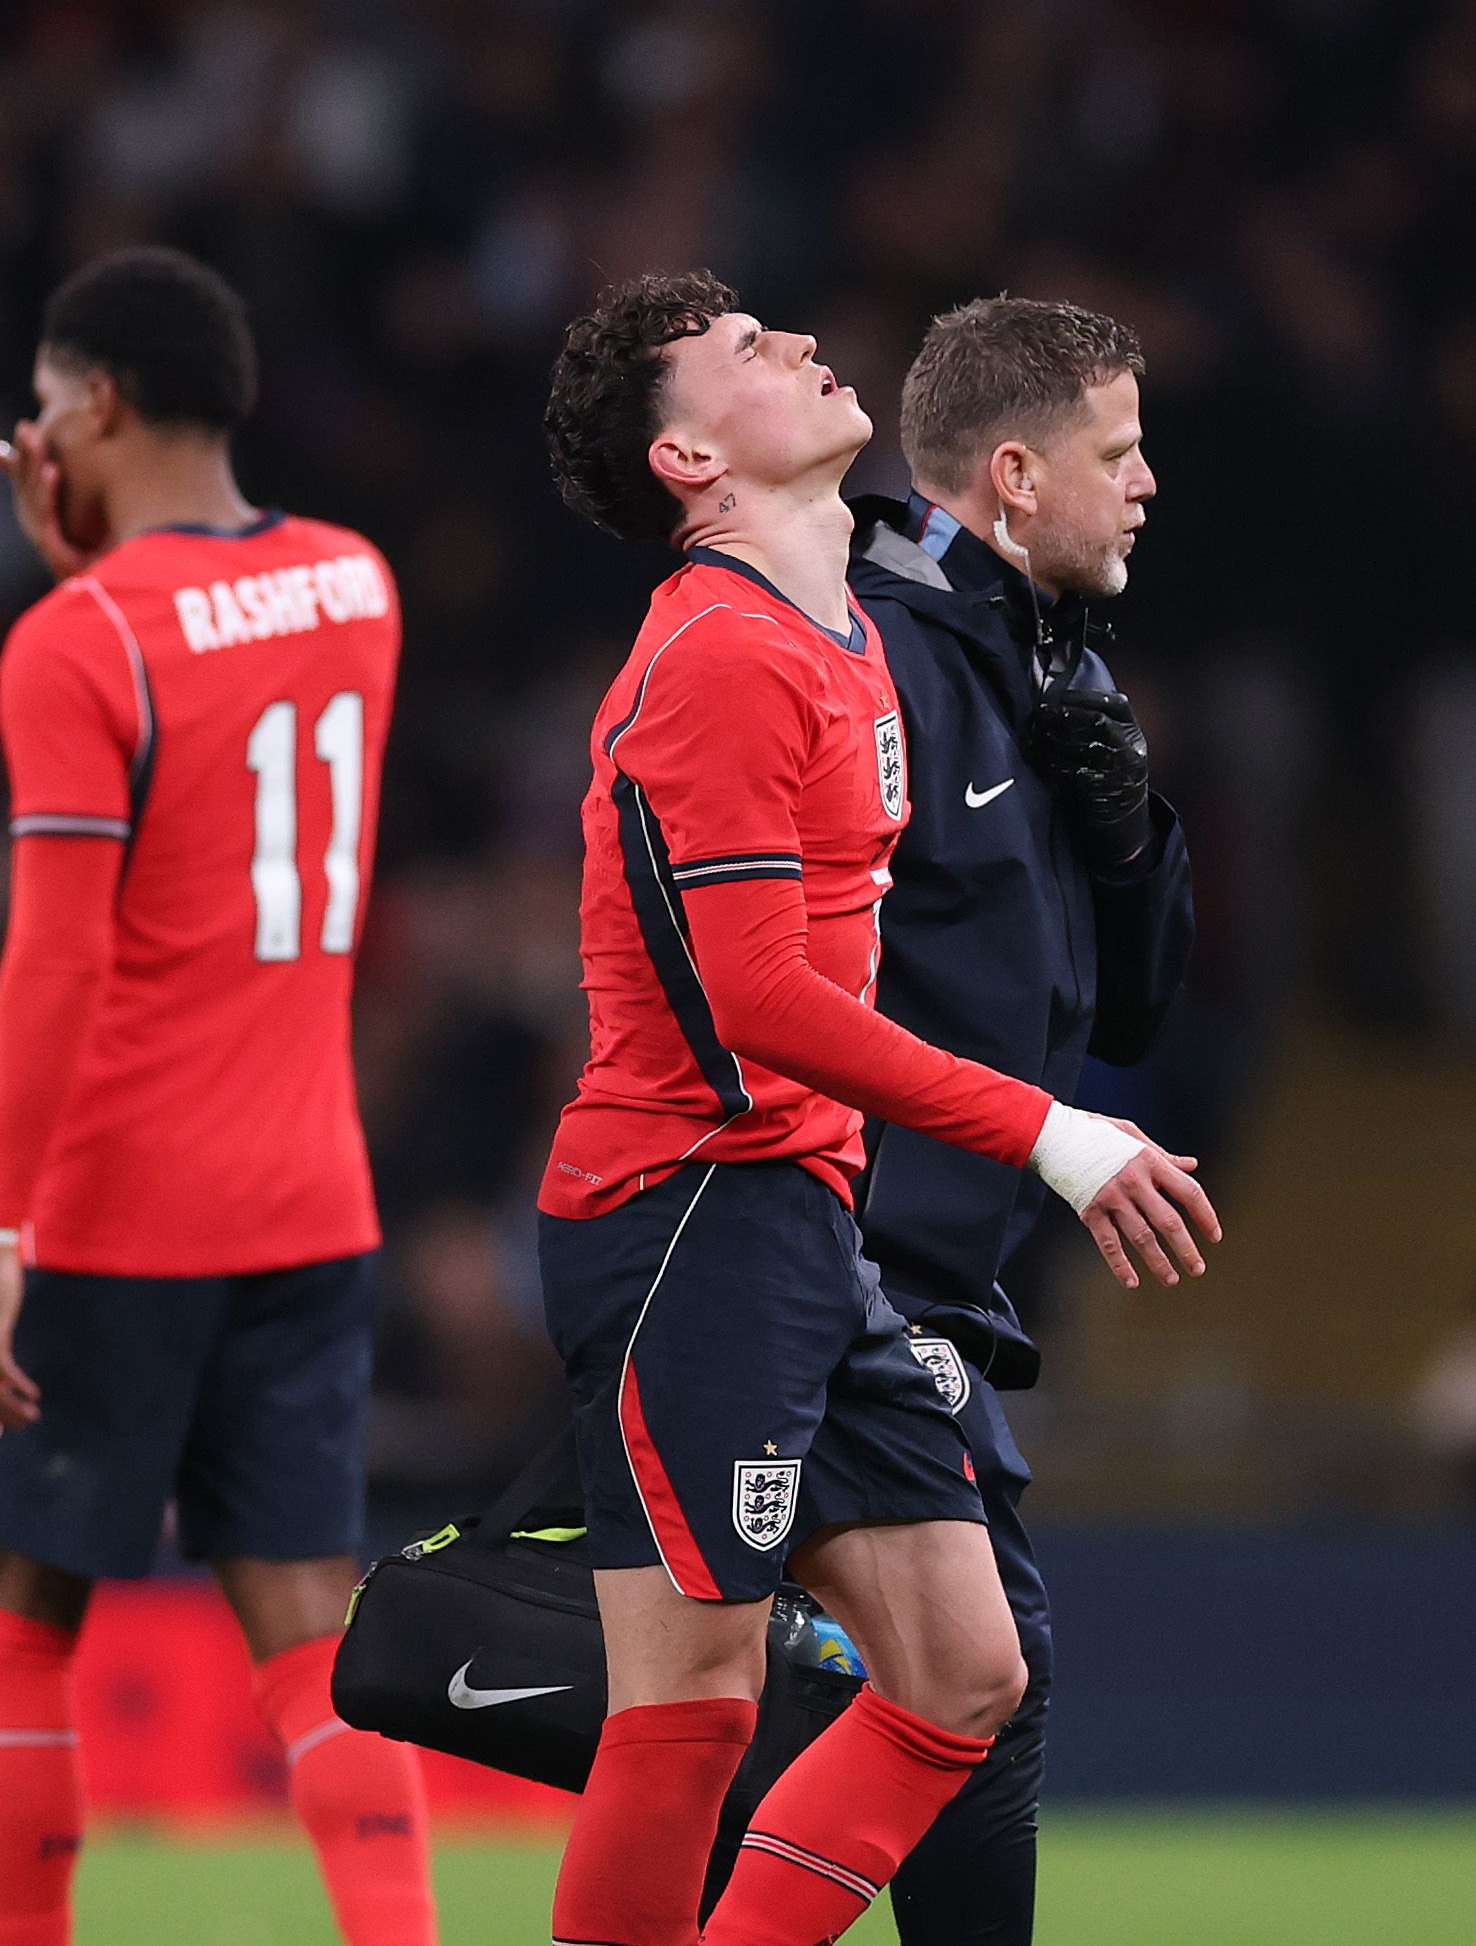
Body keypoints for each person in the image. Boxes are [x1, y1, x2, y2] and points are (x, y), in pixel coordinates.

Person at [527, 270, 1219, 1946]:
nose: (808, 348)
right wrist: (1053, 1134)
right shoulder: (721, 654)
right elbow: (762, 1000)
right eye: (753, 354)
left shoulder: (833, 627)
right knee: (689, 1703)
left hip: (801, 1220)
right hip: (690, 1210)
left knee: (967, 1672)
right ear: (691, 456)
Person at [0, 247, 436, 1946]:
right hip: (312, 1199)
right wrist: (93, 564)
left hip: (119, 1211)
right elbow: (221, 673)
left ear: (95, 404)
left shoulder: (74, 644)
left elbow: (58, 966)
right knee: (313, 1644)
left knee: (10, 1621)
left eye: (41, 401)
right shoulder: (359, 583)